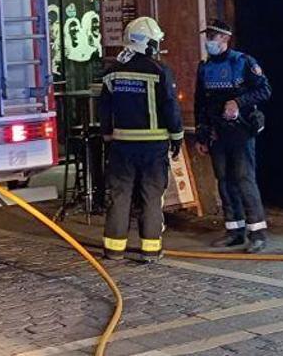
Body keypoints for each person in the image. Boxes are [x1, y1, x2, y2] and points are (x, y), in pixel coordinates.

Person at [100, 17, 184, 263]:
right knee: (151, 196)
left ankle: (114, 249)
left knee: (120, 195)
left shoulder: (112, 71)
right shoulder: (160, 71)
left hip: (121, 145)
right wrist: (177, 136)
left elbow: (104, 108)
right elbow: (170, 107)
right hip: (153, 146)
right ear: (147, 43)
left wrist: (107, 135)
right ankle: (150, 250)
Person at [194, 19, 272, 253]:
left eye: (213, 36)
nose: (209, 41)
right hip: (217, 134)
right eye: (207, 36)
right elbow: (200, 102)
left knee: (244, 179)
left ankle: (257, 233)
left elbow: (264, 90)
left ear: (225, 39)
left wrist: (238, 101)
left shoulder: (243, 62)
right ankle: (234, 231)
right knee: (224, 182)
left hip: (240, 131)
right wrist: (201, 134)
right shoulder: (205, 67)